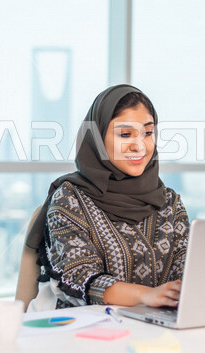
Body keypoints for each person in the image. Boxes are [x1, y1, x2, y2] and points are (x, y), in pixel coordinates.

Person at [24, 85, 189, 310]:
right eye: (125, 134)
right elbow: (78, 276)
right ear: (98, 138)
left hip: (152, 331)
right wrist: (146, 295)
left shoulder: (169, 202)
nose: (139, 145)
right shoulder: (69, 199)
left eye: (148, 133)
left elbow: (189, 272)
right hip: (79, 329)